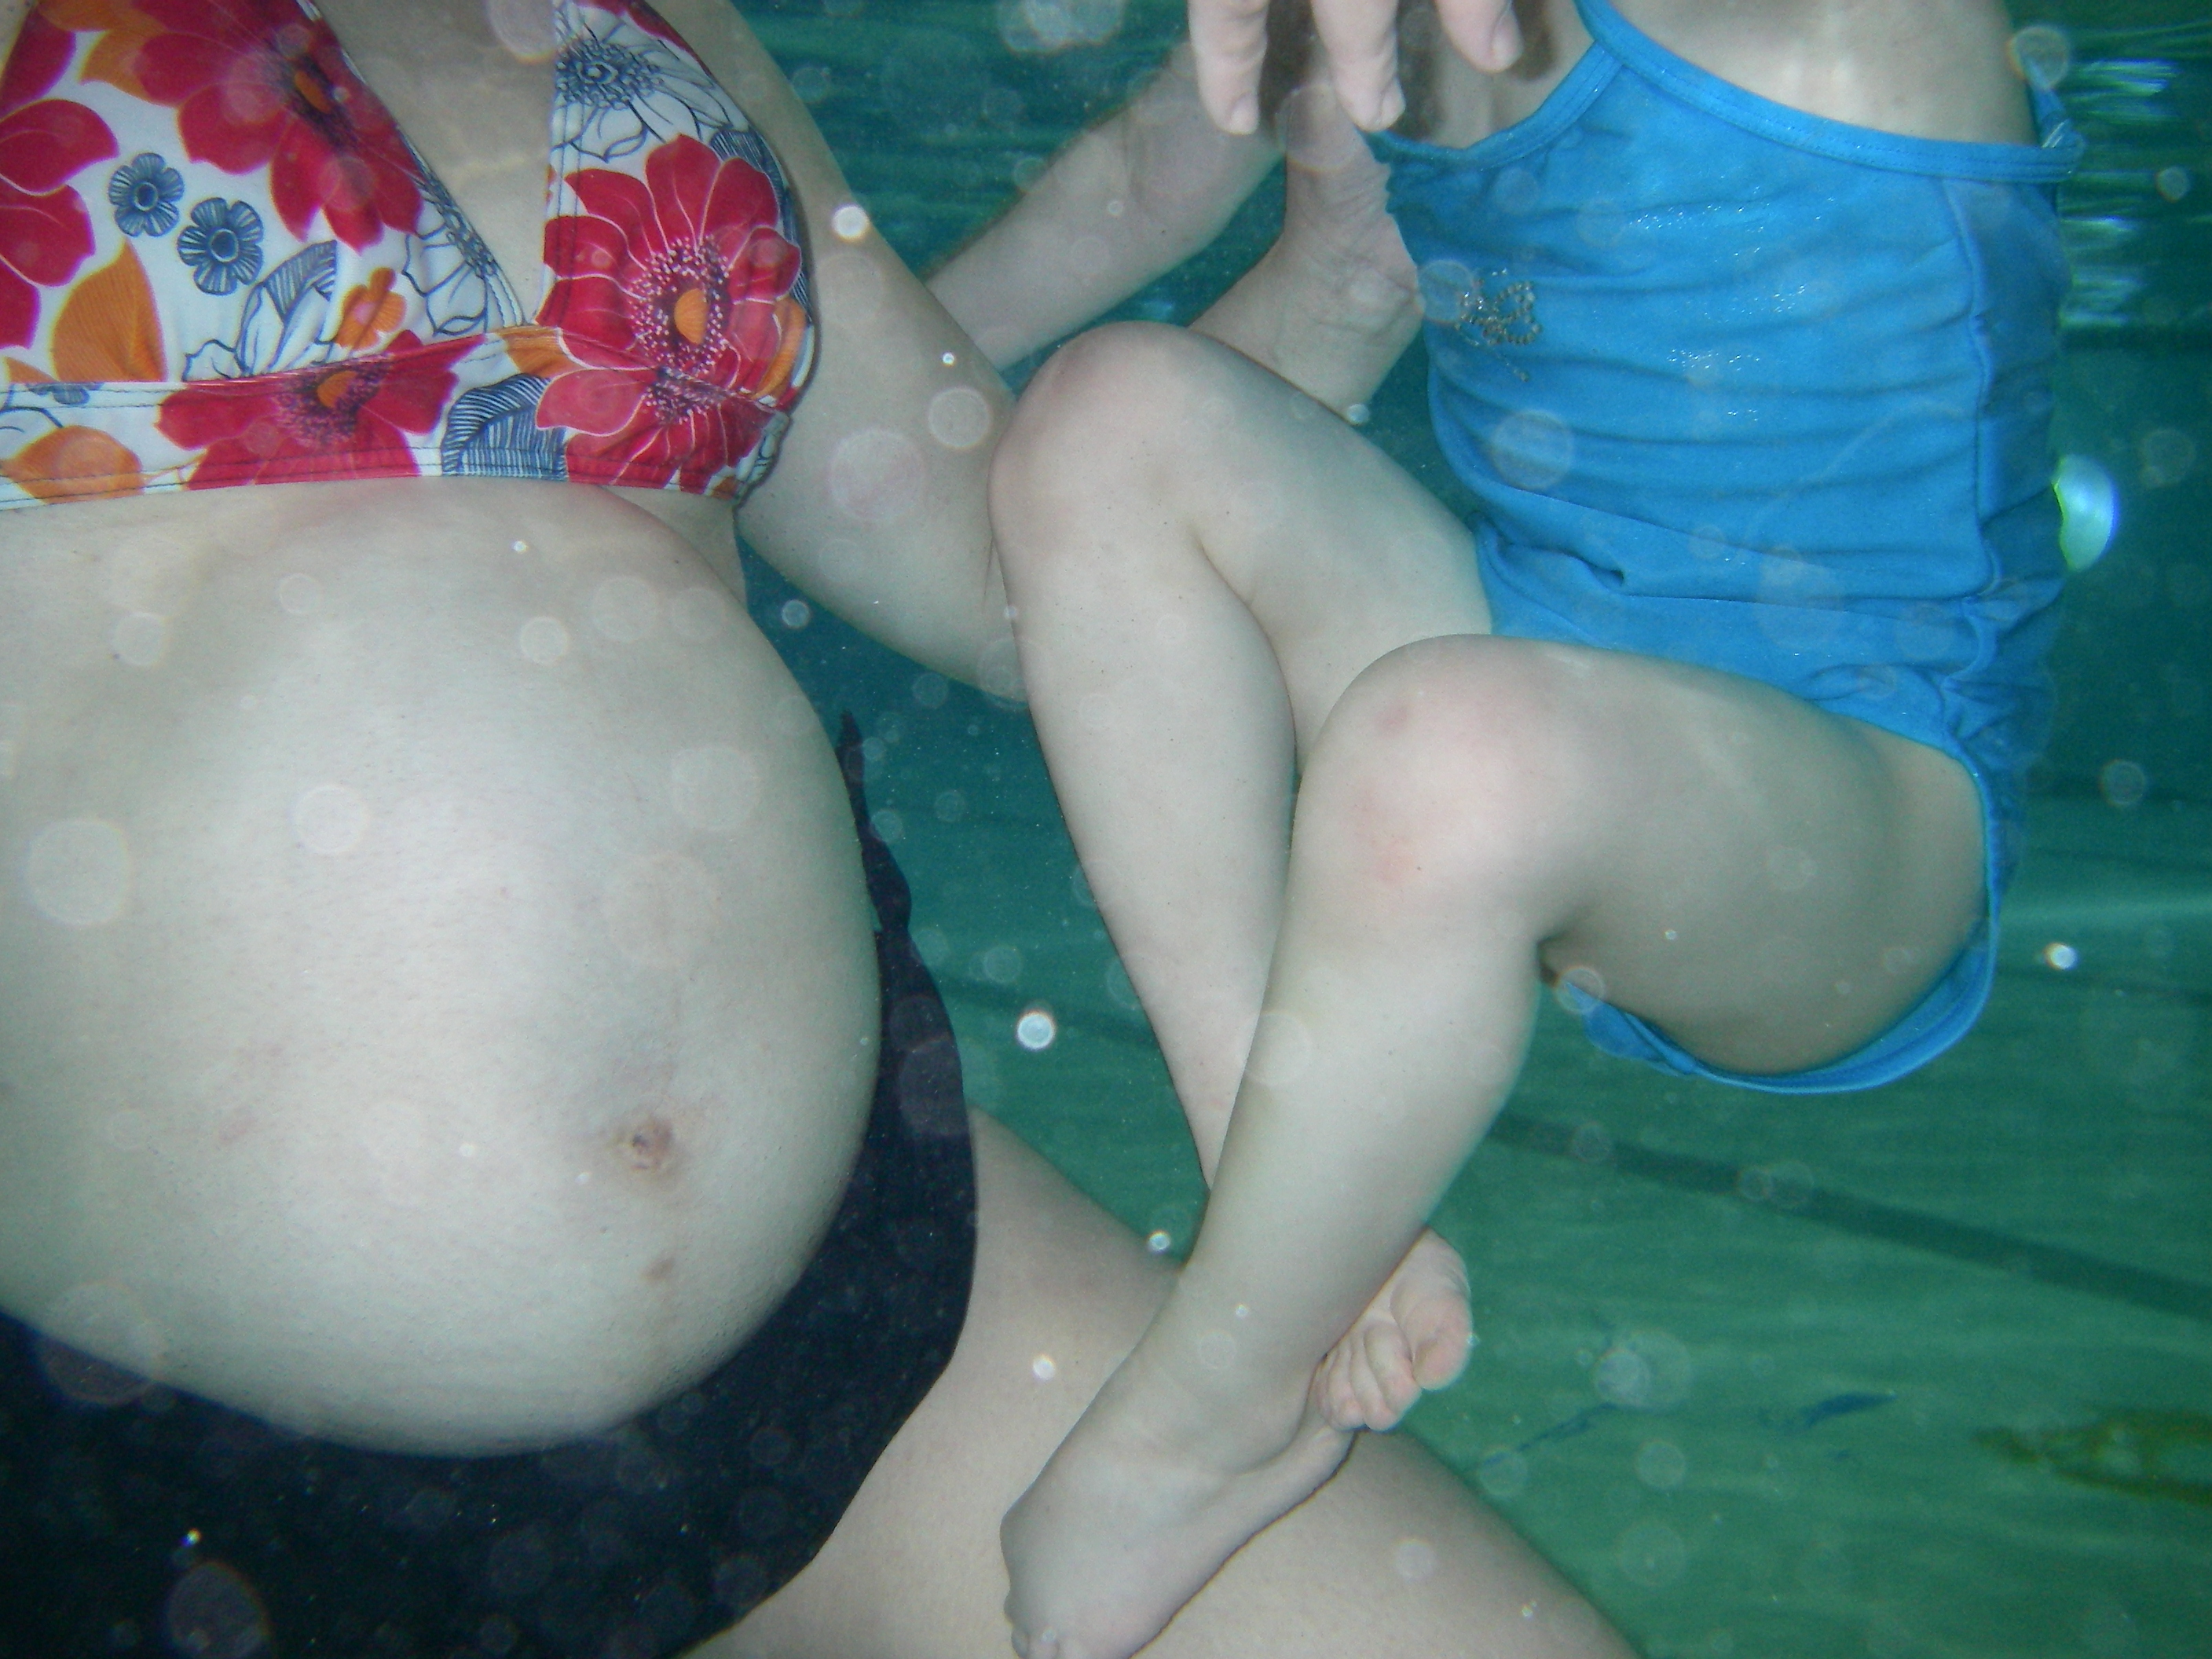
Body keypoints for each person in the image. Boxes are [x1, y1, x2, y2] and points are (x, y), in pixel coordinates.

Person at [0, 1, 1636, 1654]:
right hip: (175, 1456)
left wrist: (1349, 260)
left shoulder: (647, 28)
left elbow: (1024, 575)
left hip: (858, 1317)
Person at [967, 0, 2083, 1654]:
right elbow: (1154, 207)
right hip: (1536, 685)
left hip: (1861, 823)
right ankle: (1290, 1233)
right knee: (1104, 416)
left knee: (1454, 749)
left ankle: (1213, 1414)